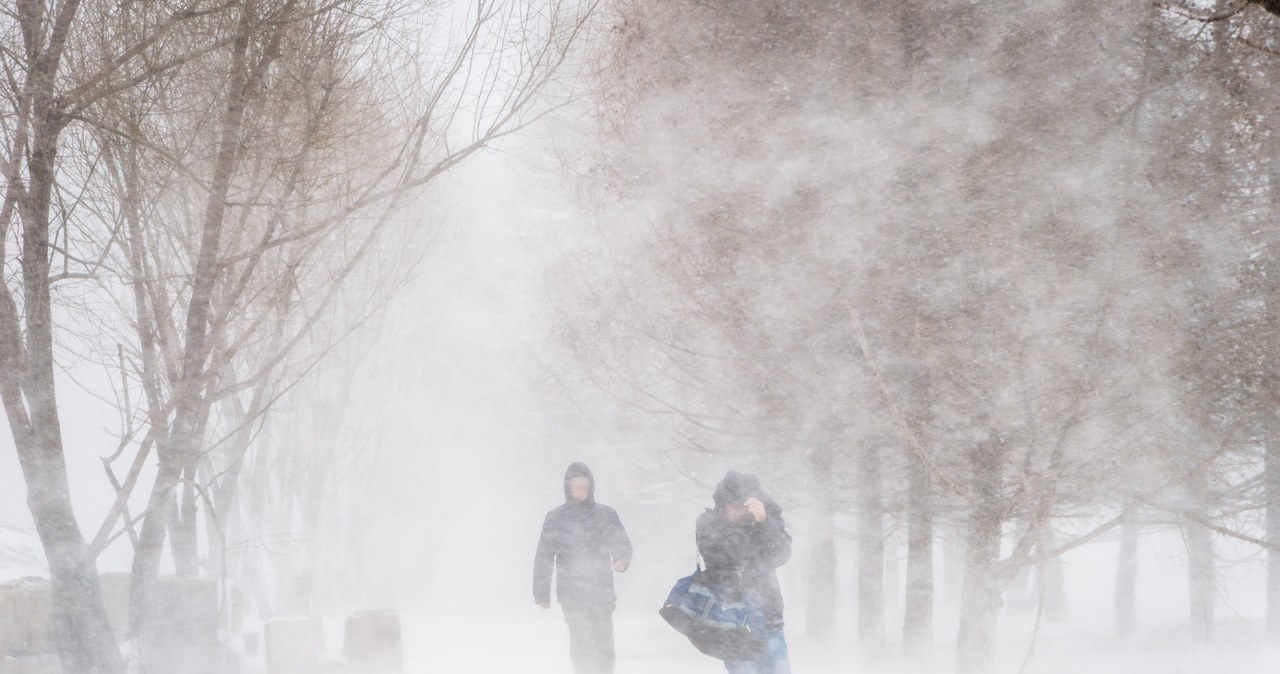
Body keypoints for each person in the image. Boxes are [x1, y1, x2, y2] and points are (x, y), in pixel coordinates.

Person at [534, 462, 633, 674]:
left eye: (585, 484)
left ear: (591, 486)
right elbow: (544, 556)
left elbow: (622, 543)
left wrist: (621, 560)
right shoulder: (556, 518)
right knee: (581, 641)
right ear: (567, 487)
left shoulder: (606, 514)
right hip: (571, 593)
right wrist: (541, 592)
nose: (581, 488)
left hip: (602, 592)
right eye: (576, 484)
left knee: (604, 641)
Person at [696, 470, 792, 674]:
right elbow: (724, 560)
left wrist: (764, 524)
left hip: (769, 616)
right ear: (723, 503)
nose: (740, 511)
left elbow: (780, 555)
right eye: (735, 505)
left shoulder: (767, 521)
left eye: (745, 505)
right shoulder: (708, 522)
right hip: (733, 623)